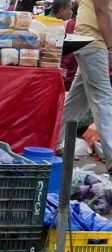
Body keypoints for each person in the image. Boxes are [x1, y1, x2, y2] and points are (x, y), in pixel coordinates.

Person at [60, 0, 112, 157]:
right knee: (103, 100)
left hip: (90, 42)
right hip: (94, 42)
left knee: (75, 103)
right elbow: (101, 10)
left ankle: (52, 142)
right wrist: (111, 49)